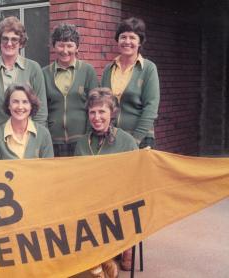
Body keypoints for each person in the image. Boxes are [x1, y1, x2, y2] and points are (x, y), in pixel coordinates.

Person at [74, 88, 137, 277]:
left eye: (102, 111)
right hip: (89, 203)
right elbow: (76, 179)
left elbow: (134, 179)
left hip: (117, 203)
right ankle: (101, 264)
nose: (97, 117)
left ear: (112, 113)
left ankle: (101, 260)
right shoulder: (82, 143)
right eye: (92, 112)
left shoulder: (126, 141)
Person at [0, 16, 47, 147]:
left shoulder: (33, 68)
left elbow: (41, 110)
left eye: (14, 39)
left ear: (21, 43)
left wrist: (37, 139)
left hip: (26, 140)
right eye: (5, 38)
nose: (9, 43)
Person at [101, 17, 160, 149]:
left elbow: (151, 108)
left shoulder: (149, 69)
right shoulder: (108, 69)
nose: (127, 41)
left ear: (140, 42)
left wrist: (135, 140)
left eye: (132, 37)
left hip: (141, 138)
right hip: (112, 138)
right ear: (118, 40)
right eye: (123, 37)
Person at [43, 23, 99, 157]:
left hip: (82, 140)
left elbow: (95, 105)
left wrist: (89, 136)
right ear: (54, 46)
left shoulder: (87, 71)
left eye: (70, 45)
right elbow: (41, 110)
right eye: (61, 45)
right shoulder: (44, 73)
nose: (65, 50)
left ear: (77, 47)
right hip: (53, 141)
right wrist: (45, 136)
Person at [0, 83, 53, 160]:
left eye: (25, 102)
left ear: (31, 105)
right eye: (15, 102)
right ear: (8, 105)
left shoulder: (43, 135)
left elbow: (48, 169)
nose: (20, 107)